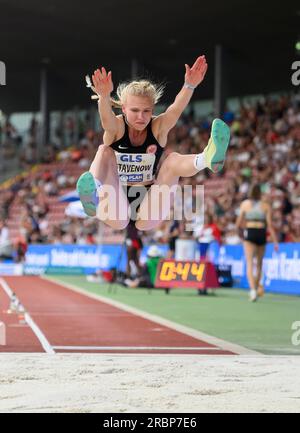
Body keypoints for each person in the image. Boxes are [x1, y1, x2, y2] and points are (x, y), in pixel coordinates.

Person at [77, 55, 230, 231]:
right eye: (135, 110)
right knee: (104, 150)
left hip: (150, 207)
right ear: (124, 109)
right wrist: (104, 97)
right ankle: (92, 191)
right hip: (115, 203)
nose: (141, 117)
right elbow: (106, 120)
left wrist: (189, 86)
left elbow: (174, 110)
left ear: (152, 110)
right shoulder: (117, 128)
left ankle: (207, 158)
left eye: (146, 111)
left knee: (172, 160)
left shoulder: (157, 128)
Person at [236, 184, 279, 302]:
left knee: (250, 263)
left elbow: (238, 223)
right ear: (260, 193)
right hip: (261, 232)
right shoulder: (266, 205)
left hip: (250, 232)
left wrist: (241, 233)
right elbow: (269, 225)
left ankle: (253, 290)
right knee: (259, 263)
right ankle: (256, 286)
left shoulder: (245, 204)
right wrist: (275, 241)